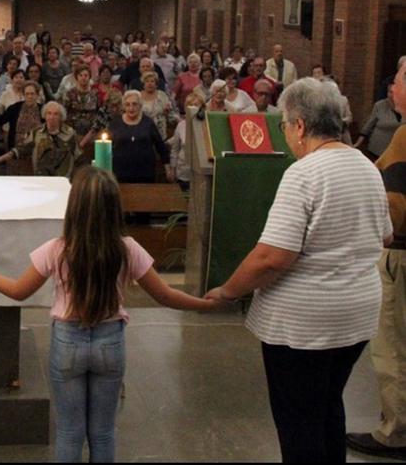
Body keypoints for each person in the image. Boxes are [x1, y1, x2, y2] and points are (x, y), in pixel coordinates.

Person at [0, 166, 221, 462]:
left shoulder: (57, 249)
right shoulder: (127, 249)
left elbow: (18, 291)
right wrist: (205, 305)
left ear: (75, 207)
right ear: (113, 208)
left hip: (68, 341)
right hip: (110, 343)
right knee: (104, 432)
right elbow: (165, 295)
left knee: (69, 432)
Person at [206, 78, 392, 463]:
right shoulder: (367, 166)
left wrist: (227, 291)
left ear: (301, 126)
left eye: (285, 125)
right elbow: (385, 235)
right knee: (327, 405)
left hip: (305, 326)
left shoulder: (304, 173)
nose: (286, 134)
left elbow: (272, 257)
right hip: (355, 316)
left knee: (298, 421)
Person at [347, 62, 406, 460]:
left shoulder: (404, 135)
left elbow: (397, 207)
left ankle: (397, 431)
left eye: (398, 80)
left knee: (393, 346)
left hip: (401, 255)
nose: (391, 86)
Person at [0, 101, 81, 178]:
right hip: (41, 177)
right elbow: (21, 149)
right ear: (44, 115)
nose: (52, 117)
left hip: (62, 179)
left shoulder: (70, 134)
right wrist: (0, 159)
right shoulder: (36, 132)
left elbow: (78, 156)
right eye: (49, 113)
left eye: (56, 114)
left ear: (61, 116)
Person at [107, 91, 172, 184]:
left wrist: (167, 167)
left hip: (145, 173)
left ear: (140, 106)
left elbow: (160, 146)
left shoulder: (148, 123)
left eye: (134, 104)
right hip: (120, 173)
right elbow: (106, 146)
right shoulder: (115, 123)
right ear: (124, 106)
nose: (131, 108)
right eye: (128, 104)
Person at [0, 81, 43, 175]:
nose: (30, 96)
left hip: (35, 150)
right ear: (23, 95)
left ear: (37, 95)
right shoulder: (15, 108)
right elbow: (0, 120)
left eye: (32, 94)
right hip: (15, 147)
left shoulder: (43, 110)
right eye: (27, 94)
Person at [354, 80, 403, 159]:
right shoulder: (379, 105)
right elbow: (369, 125)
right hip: (378, 149)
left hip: (399, 150)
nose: (392, 95)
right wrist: (357, 143)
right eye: (390, 92)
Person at [168, 94, 205, 192]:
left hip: (201, 174)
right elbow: (175, 150)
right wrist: (172, 169)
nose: (193, 108)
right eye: (190, 105)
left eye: (196, 105)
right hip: (183, 172)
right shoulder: (181, 125)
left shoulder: (207, 124)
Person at [138, 70, 177, 141]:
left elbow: (171, 114)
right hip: (142, 133)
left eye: (152, 81)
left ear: (156, 84)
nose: (150, 83)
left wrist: (168, 113)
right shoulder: (138, 96)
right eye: (147, 81)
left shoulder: (162, 95)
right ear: (143, 84)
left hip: (160, 133)